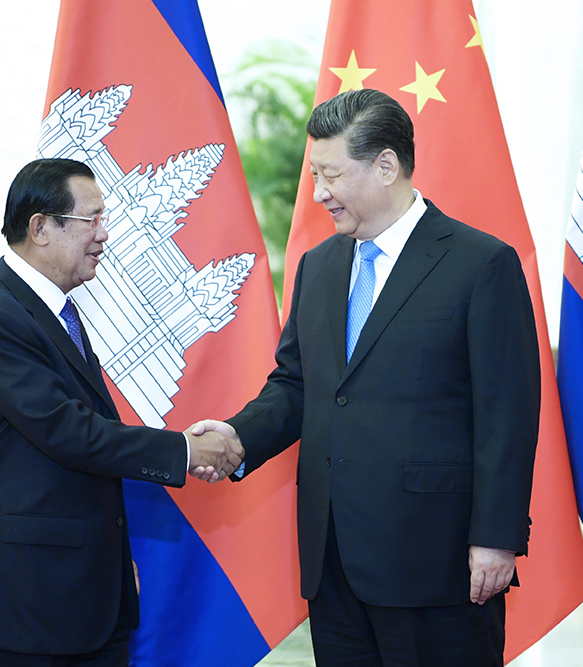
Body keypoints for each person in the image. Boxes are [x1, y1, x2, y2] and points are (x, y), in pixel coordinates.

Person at [193, 89, 540, 666]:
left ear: (385, 166)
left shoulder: (480, 264)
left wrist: (496, 537)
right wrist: (237, 437)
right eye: (314, 175)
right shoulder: (319, 266)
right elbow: (298, 385)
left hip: (437, 563)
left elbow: (508, 413)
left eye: (330, 174)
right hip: (333, 564)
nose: (318, 193)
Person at [0, 158, 243, 667]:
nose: (104, 234)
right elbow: (71, 433)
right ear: (41, 228)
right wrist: (185, 451)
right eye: (91, 219)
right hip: (19, 599)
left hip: (80, 593)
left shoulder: (54, 308)